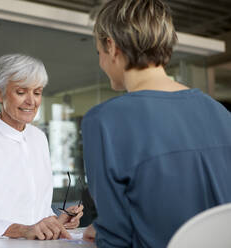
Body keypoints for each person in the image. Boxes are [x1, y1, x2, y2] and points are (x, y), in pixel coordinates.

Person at [81, 0, 231, 247]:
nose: (101, 63)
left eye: (99, 52)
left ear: (112, 45)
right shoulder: (219, 112)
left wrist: (105, 229)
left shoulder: (103, 121)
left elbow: (115, 240)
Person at [0, 54, 83, 240]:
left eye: (37, 92)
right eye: (21, 92)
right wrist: (22, 230)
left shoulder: (39, 139)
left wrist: (56, 221)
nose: (31, 101)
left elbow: (37, 210)